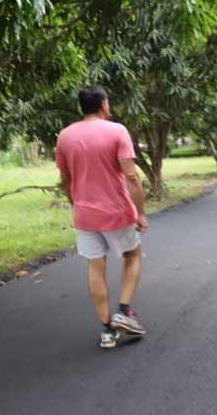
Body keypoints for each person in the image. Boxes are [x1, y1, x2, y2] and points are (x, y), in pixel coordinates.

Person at [56, 85, 150, 348]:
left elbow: (65, 180)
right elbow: (131, 176)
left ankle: (107, 330)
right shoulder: (117, 131)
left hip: (85, 215)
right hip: (116, 212)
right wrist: (140, 213)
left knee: (95, 268)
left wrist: (76, 203)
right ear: (104, 105)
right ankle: (124, 310)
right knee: (132, 255)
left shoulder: (65, 136)